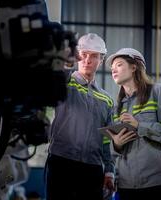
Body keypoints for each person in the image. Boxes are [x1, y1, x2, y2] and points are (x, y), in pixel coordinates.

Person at [106, 48, 161, 200]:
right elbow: (113, 152)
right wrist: (116, 145)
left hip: (158, 183)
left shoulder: (158, 92)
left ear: (134, 67)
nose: (113, 69)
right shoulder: (117, 107)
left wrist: (140, 126)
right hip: (126, 186)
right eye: (112, 67)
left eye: (119, 64)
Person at [45, 33, 115, 200]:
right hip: (62, 162)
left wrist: (110, 171)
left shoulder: (107, 100)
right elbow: (59, 78)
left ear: (101, 60)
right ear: (77, 57)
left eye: (94, 56)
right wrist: (68, 59)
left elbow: (107, 140)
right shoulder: (66, 84)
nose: (87, 60)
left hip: (93, 168)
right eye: (83, 55)